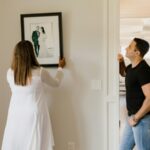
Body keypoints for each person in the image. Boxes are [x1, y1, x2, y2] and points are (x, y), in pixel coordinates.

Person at [1, 40, 66, 150]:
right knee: (35, 144)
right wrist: (60, 67)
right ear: (31, 53)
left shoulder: (10, 73)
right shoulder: (40, 72)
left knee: (17, 143)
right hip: (34, 114)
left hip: (15, 113)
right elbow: (56, 83)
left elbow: (14, 91)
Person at [118, 38, 150, 150]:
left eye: (130, 47)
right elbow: (124, 73)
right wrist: (121, 61)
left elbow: (149, 98)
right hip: (132, 117)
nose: (126, 48)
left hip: (141, 119)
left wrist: (136, 118)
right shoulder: (131, 67)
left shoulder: (143, 70)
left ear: (137, 52)